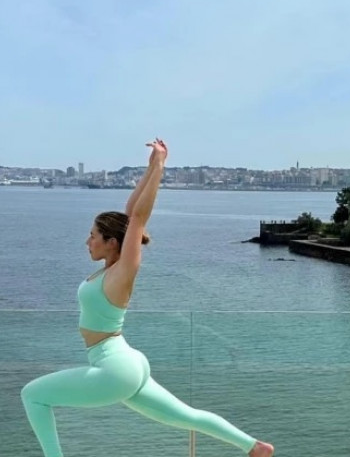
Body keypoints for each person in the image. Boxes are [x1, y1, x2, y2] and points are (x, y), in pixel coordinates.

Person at [21, 139, 274, 457]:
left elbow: (138, 218)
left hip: (115, 368)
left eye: (93, 235)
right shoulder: (110, 269)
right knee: (185, 417)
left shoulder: (121, 272)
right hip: (124, 361)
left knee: (32, 395)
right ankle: (254, 447)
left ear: (111, 242)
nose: (87, 241)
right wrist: (151, 166)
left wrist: (160, 168)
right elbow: (131, 215)